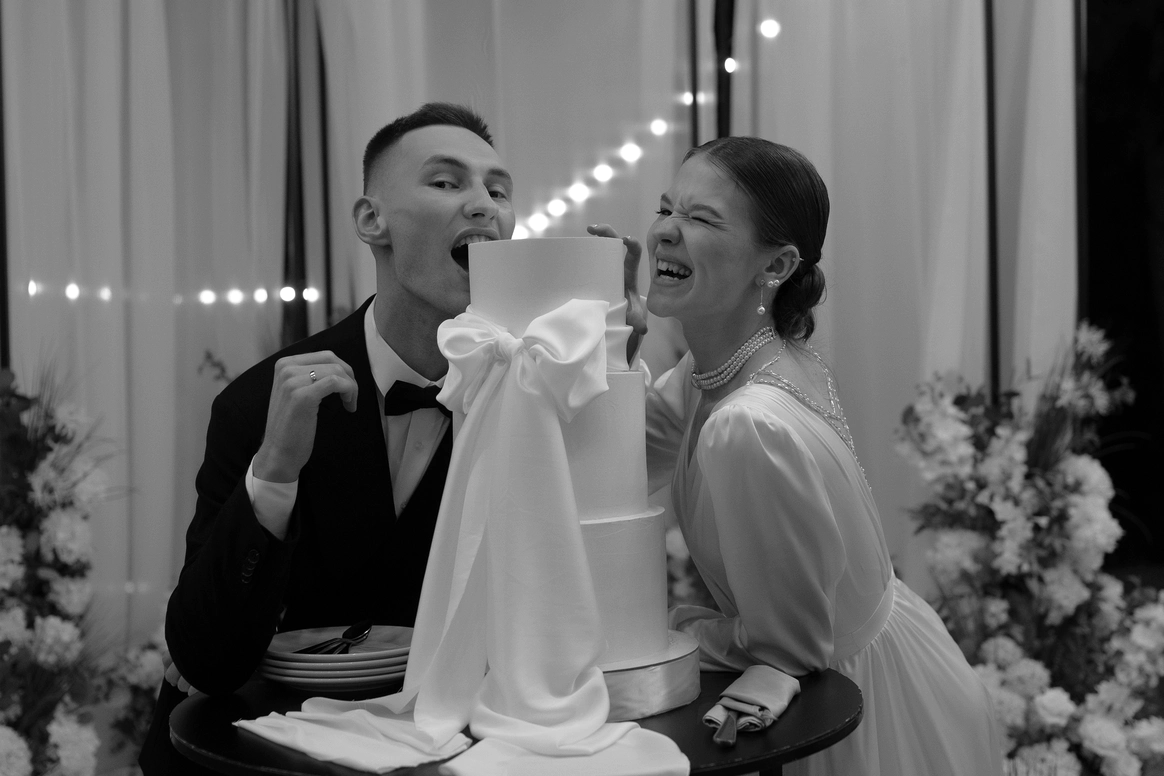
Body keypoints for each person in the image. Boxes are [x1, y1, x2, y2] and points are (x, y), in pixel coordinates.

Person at [139, 102, 645, 775]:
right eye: (446, 182)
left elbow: (580, 590)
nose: (484, 205)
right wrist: (275, 472)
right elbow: (207, 657)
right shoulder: (260, 403)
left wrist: (612, 360)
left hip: (452, 746)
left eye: (498, 191)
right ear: (371, 221)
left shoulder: (534, 390)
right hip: (271, 746)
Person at [591, 136, 1004, 775]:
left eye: (701, 219)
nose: (666, 231)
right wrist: (617, 333)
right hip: (880, 655)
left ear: (777, 265)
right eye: (666, 209)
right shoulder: (721, 368)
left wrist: (665, 631)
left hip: (843, 702)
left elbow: (791, 648)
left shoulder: (747, 424)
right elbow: (614, 471)